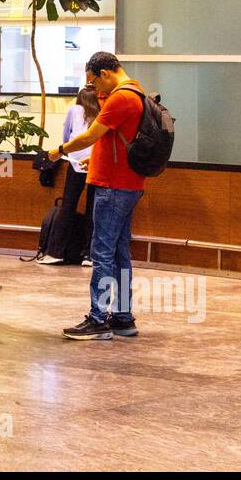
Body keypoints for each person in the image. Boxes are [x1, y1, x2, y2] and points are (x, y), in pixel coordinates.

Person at [47, 52, 147, 340]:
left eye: (93, 82)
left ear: (105, 73)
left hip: (113, 187)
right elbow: (115, 142)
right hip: (126, 183)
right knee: (119, 253)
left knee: (101, 252)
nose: (92, 90)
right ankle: (123, 317)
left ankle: (98, 318)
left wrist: (59, 150)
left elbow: (90, 136)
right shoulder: (135, 91)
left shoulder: (120, 98)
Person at [36, 86, 100, 267]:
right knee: (92, 209)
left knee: (68, 206)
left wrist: (65, 151)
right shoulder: (101, 112)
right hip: (95, 163)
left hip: (75, 162)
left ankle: (56, 252)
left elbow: (66, 137)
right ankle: (89, 255)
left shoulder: (74, 110)